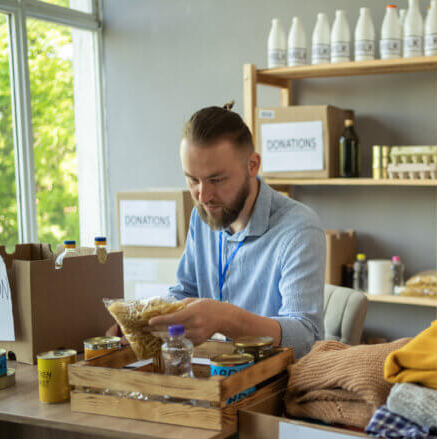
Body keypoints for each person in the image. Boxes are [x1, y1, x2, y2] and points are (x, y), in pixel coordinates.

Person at [108, 102, 325, 359]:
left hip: (275, 384)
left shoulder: (299, 228)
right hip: (213, 375)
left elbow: (306, 337)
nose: (204, 195)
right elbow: (185, 292)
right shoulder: (202, 216)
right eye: (192, 179)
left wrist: (225, 318)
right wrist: (144, 323)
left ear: (252, 165)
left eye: (217, 180)